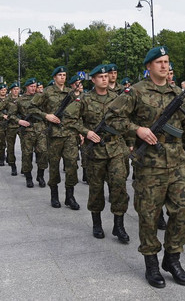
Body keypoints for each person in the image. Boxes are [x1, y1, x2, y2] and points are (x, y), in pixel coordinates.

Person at [106, 46, 185, 288]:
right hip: (149, 164)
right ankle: (151, 263)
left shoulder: (178, 94)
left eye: (166, 61)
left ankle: (172, 258)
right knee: (149, 216)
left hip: (177, 161)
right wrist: (137, 129)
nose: (164, 66)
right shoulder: (135, 92)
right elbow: (112, 118)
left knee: (184, 210)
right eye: (158, 62)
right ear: (148, 66)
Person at [64, 64, 130, 242]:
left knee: (119, 187)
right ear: (93, 79)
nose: (104, 79)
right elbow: (68, 118)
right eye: (100, 77)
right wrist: (86, 132)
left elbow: (127, 120)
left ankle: (119, 225)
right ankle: (97, 223)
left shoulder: (117, 98)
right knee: (96, 189)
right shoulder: (84, 100)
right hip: (95, 152)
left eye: (106, 76)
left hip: (115, 149)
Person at [28, 66, 80, 210]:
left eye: (64, 75)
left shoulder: (71, 93)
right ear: (54, 78)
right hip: (54, 135)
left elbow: (78, 113)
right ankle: (54, 195)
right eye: (60, 75)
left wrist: (81, 132)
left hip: (70, 134)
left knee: (72, 166)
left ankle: (70, 196)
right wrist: (47, 116)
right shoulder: (46, 92)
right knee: (54, 167)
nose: (63, 77)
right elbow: (31, 108)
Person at [18, 78, 48, 187]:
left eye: (35, 86)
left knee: (43, 152)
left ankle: (40, 176)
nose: (33, 88)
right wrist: (19, 121)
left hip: (40, 128)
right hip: (27, 130)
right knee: (27, 154)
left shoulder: (41, 98)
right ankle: (28, 177)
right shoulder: (20, 100)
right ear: (26, 87)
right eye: (31, 86)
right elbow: (11, 115)